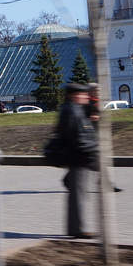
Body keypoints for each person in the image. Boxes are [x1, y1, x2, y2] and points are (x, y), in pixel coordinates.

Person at [56, 82, 100, 239]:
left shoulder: (74, 109)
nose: (86, 96)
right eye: (82, 94)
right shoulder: (72, 111)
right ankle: (77, 229)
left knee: (78, 193)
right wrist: (88, 150)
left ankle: (75, 227)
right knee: (79, 195)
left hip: (78, 157)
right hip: (78, 157)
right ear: (74, 95)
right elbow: (75, 137)